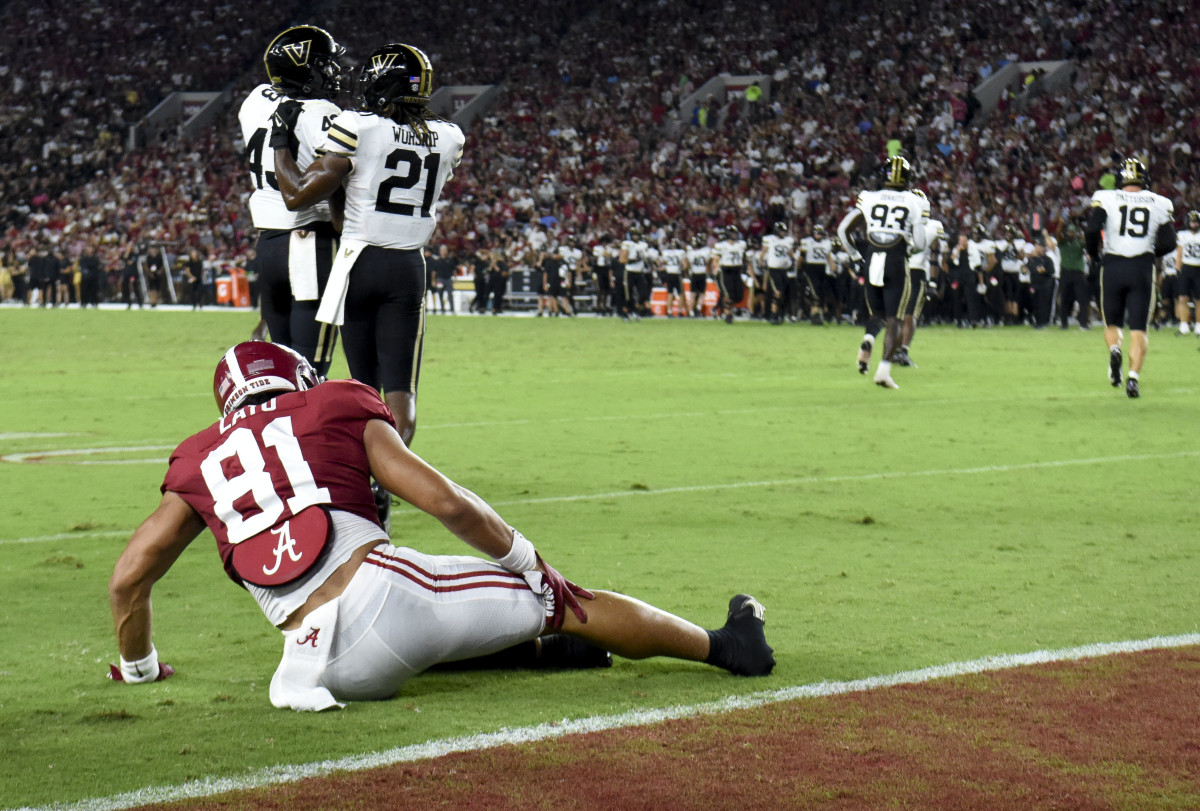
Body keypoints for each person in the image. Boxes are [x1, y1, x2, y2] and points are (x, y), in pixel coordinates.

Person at [106, 341, 776, 710]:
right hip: (380, 598)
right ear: (298, 379)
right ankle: (727, 646)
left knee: (441, 602)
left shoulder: (198, 456)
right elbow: (447, 502)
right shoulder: (332, 401)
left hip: (309, 661)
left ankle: (535, 650)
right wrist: (526, 556)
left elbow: (128, 579)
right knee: (560, 598)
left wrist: (140, 669)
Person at [274, 42, 464, 448]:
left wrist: (280, 143)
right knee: (401, 391)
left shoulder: (358, 126)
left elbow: (296, 195)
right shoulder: (450, 136)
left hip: (357, 261)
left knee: (364, 387)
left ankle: (359, 480)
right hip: (408, 268)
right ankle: (386, 486)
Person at [238, 24, 346, 375]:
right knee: (309, 371)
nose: (332, 71)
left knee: (282, 370)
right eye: (324, 64)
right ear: (304, 68)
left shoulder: (255, 99)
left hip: (268, 243)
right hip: (309, 240)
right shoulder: (322, 112)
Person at [1085, 157, 1176, 399]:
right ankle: (1133, 379)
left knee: (1111, 323)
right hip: (1142, 268)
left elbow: (1092, 229)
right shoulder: (1159, 202)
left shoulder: (1106, 197)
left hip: (1113, 264)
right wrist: (1148, 252)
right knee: (1139, 329)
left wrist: (1095, 256)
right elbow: (1169, 242)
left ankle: (1115, 349)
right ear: (1144, 179)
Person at [836, 156, 928, 389]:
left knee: (877, 314)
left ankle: (868, 339)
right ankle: (884, 370)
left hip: (872, 257)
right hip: (895, 259)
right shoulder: (912, 200)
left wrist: (857, 256)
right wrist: (906, 247)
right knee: (895, 319)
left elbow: (843, 229)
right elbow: (919, 242)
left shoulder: (869, 197)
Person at [896, 190, 943, 366]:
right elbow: (934, 256)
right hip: (908, 272)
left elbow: (935, 256)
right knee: (904, 315)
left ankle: (898, 351)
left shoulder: (928, 225)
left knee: (903, 315)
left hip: (907, 271)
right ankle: (900, 351)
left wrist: (932, 281)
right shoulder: (931, 225)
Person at [1174, 210, 1200, 335]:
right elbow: (1179, 253)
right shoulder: (1182, 235)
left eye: (1196, 222)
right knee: (1182, 297)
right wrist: (1177, 268)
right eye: (1192, 222)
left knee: (1198, 300)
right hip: (1186, 268)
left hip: (1198, 268)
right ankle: (1183, 325)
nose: (1194, 224)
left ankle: (1199, 326)